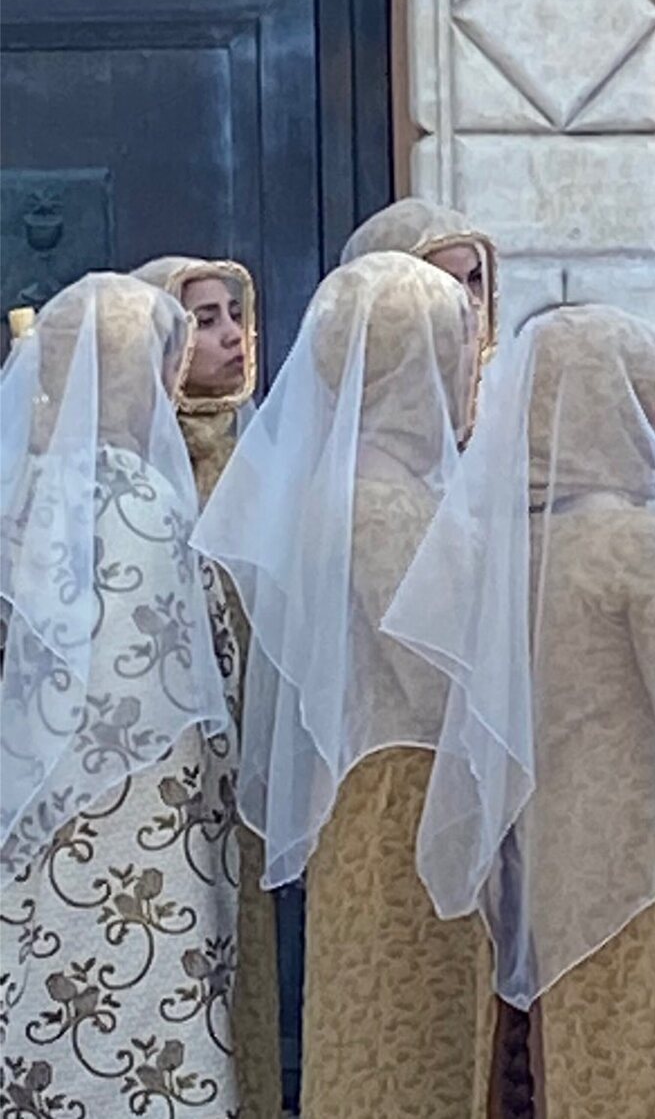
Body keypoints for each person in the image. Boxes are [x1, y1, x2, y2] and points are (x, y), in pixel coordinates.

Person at [387, 302, 655, 1118]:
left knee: (540, 1076)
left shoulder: (499, 542)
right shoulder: (645, 543)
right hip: (642, 866)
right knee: (643, 1079)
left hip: (525, 869)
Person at [192, 252, 493, 1119]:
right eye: (451, 341)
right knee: (399, 1032)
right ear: (406, 357)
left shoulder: (379, 481)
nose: (467, 363)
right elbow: (435, 667)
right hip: (403, 801)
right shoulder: (378, 497)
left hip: (393, 793)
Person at [1, 273, 242, 1115]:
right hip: (145, 832)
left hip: (33, 821)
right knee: (141, 1044)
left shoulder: (16, 497)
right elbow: (194, 676)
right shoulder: (143, 501)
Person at [132, 255, 282, 1119]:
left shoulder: (255, 451)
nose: (231, 336)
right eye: (205, 320)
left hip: (251, 749)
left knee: (249, 952)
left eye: (235, 315)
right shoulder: (146, 469)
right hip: (171, 769)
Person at [343, 197, 499, 373]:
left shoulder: (505, 380)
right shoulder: (374, 392)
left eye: (475, 278)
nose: (470, 300)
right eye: (447, 283)